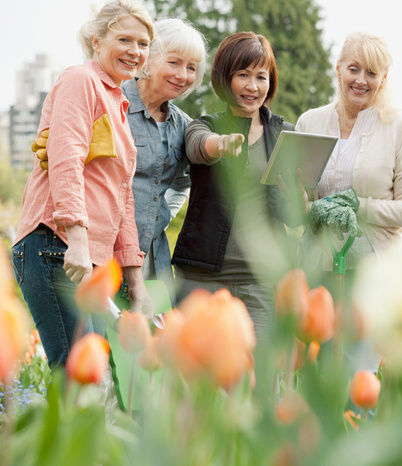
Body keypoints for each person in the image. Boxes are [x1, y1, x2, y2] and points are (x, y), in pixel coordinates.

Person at [12, 0, 155, 369]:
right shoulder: (82, 80)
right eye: (124, 39)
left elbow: (122, 199)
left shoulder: (118, 103)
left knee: (92, 377)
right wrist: (76, 238)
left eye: (143, 43)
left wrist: (135, 278)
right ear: (97, 40)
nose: (135, 51)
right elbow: (66, 156)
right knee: (77, 374)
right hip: (54, 244)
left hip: (84, 257)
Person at [36, 19, 208, 306]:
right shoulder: (109, 102)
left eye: (192, 68)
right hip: (95, 248)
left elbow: (182, 185)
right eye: (175, 63)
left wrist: (154, 219)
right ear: (149, 58)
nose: (183, 75)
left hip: (151, 257)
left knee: (150, 345)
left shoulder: (184, 127)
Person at [292, 31, 402, 372]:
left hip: (371, 272)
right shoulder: (310, 122)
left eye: (372, 72)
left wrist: (355, 206)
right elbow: (301, 203)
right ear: (338, 70)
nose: (361, 80)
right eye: (354, 69)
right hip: (317, 263)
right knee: (314, 370)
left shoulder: (400, 128)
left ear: (384, 78)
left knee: (356, 373)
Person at [171, 32, 294, 347]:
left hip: (261, 284)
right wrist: (221, 144)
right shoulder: (205, 126)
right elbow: (198, 147)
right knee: (195, 381)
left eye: (261, 76)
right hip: (202, 279)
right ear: (225, 78)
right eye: (243, 75)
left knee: (258, 385)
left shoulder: (285, 136)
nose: (253, 86)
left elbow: (295, 218)